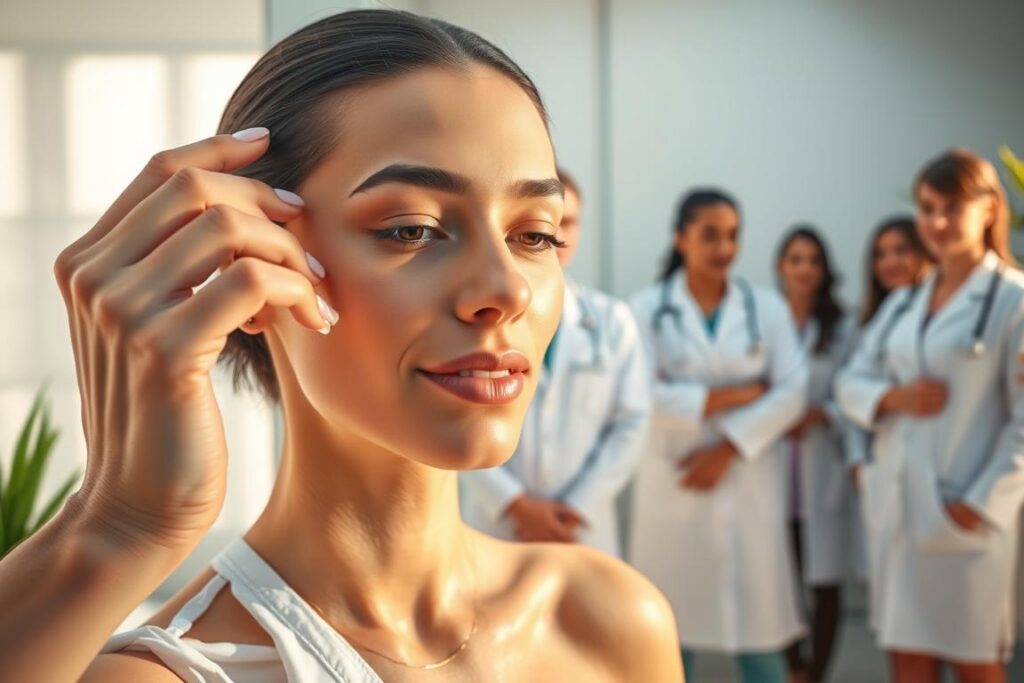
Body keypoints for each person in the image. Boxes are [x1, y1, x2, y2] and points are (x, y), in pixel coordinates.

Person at [0, 10, 683, 682]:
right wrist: (115, 523)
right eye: (412, 229)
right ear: (255, 258)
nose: (508, 290)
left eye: (536, 234)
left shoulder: (610, 619)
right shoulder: (174, 675)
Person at [836, 148, 1024, 682]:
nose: (936, 222)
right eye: (926, 207)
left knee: (975, 663)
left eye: (951, 208)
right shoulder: (905, 302)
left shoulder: (1014, 300)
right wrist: (892, 399)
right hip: (899, 510)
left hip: (965, 515)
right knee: (908, 662)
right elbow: (850, 381)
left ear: (989, 210)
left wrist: (980, 503)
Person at [628, 188, 808, 682]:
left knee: (758, 638)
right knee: (668, 638)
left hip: (747, 482)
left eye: (732, 235)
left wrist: (728, 447)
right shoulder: (645, 309)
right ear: (680, 238)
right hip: (675, 487)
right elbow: (638, 393)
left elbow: (792, 393)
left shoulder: (766, 309)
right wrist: (736, 395)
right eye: (710, 235)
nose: (724, 247)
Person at [460, 168, 651, 557]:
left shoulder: (612, 321)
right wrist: (514, 504)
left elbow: (632, 424)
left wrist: (578, 508)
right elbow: (448, 415)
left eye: (568, 222)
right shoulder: (475, 313)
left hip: (579, 530)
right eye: (540, 224)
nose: (557, 235)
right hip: (496, 524)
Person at [774, 226, 857, 683]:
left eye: (813, 260)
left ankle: (816, 674)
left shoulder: (843, 327)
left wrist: (822, 415)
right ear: (780, 267)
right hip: (775, 471)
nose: (804, 268)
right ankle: (794, 668)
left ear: (824, 271)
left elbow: (854, 390)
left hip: (822, 466)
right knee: (780, 579)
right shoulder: (766, 321)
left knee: (825, 584)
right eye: (795, 259)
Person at [843, 215, 933, 620]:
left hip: (939, 477)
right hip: (885, 473)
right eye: (880, 254)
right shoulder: (883, 315)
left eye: (901, 250)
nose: (890, 262)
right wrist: (859, 462)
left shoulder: (934, 308)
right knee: (899, 625)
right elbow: (848, 388)